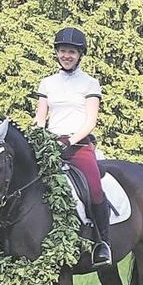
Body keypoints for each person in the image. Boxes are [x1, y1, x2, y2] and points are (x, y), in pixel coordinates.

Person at [33, 27, 111, 267]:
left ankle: (102, 243)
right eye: (63, 51)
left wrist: (70, 140)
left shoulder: (89, 83)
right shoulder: (47, 83)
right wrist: (35, 135)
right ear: (57, 53)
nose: (67, 56)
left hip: (78, 146)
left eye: (72, 52)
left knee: (94, 189)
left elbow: (90, 121)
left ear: (80, 55)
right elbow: (40, 117)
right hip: (50, 145)